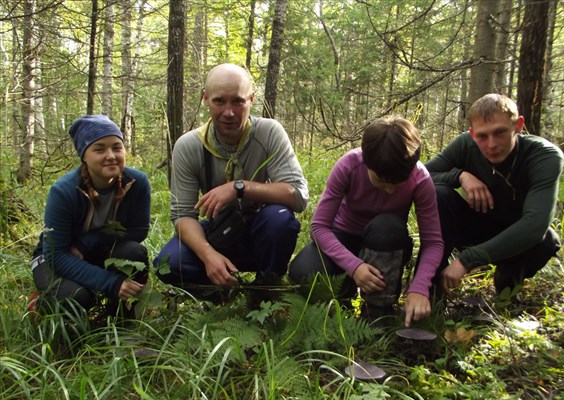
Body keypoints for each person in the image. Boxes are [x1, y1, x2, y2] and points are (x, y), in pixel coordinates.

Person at [154, 63, 309, 298]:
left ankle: (266, 290)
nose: (229, 112)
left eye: (237, 101)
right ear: (205, 99)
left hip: (261, 233)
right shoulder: (189, 145)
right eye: (219, 101)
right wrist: (208, 255)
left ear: (251, 99)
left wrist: (240, 188)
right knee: (168, 263)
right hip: (218, 234)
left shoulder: (269, 133)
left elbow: (298, 196)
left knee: (279, 219)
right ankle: (222, 293)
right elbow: (182, 215)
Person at [289, 116, 444, 327]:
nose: (389, 190)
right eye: (380, 180)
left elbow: (433, 242)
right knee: (303, 272)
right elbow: (319, 227)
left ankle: (378, 313)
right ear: (367, 162)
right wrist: (354, 267)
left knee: (386, 226)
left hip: (386, 243)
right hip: (344, 237)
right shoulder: (350, 165)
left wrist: (419, 287)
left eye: (397, 183)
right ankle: (343, 297)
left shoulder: (420, 179)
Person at [425, 93, 564, 298]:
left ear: (518, 125)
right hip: (476, 224)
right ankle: (433, 288)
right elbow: (422, 176)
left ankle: (507, 281)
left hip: (516, 235)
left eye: (500, 133)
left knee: (547, 240)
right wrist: (460, 176)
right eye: (482, 136)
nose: (491, 144)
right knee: (439, 194)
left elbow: (535, 225)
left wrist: (467, 260)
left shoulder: (543, 156)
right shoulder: (465, 145)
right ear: (472, 134)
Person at [31, 114, 151, 319]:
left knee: (134, 252)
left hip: (94, 251)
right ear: (84, 155)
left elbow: (139, 230)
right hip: (53, 259)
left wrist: (87, 244)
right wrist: (112, 283)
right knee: (77, 297)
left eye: (116, 147)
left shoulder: (137, 182)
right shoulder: (64, 191)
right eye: (99, 149)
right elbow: (56, 255)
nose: (111, 155)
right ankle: (43, 306)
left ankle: (123, 321)